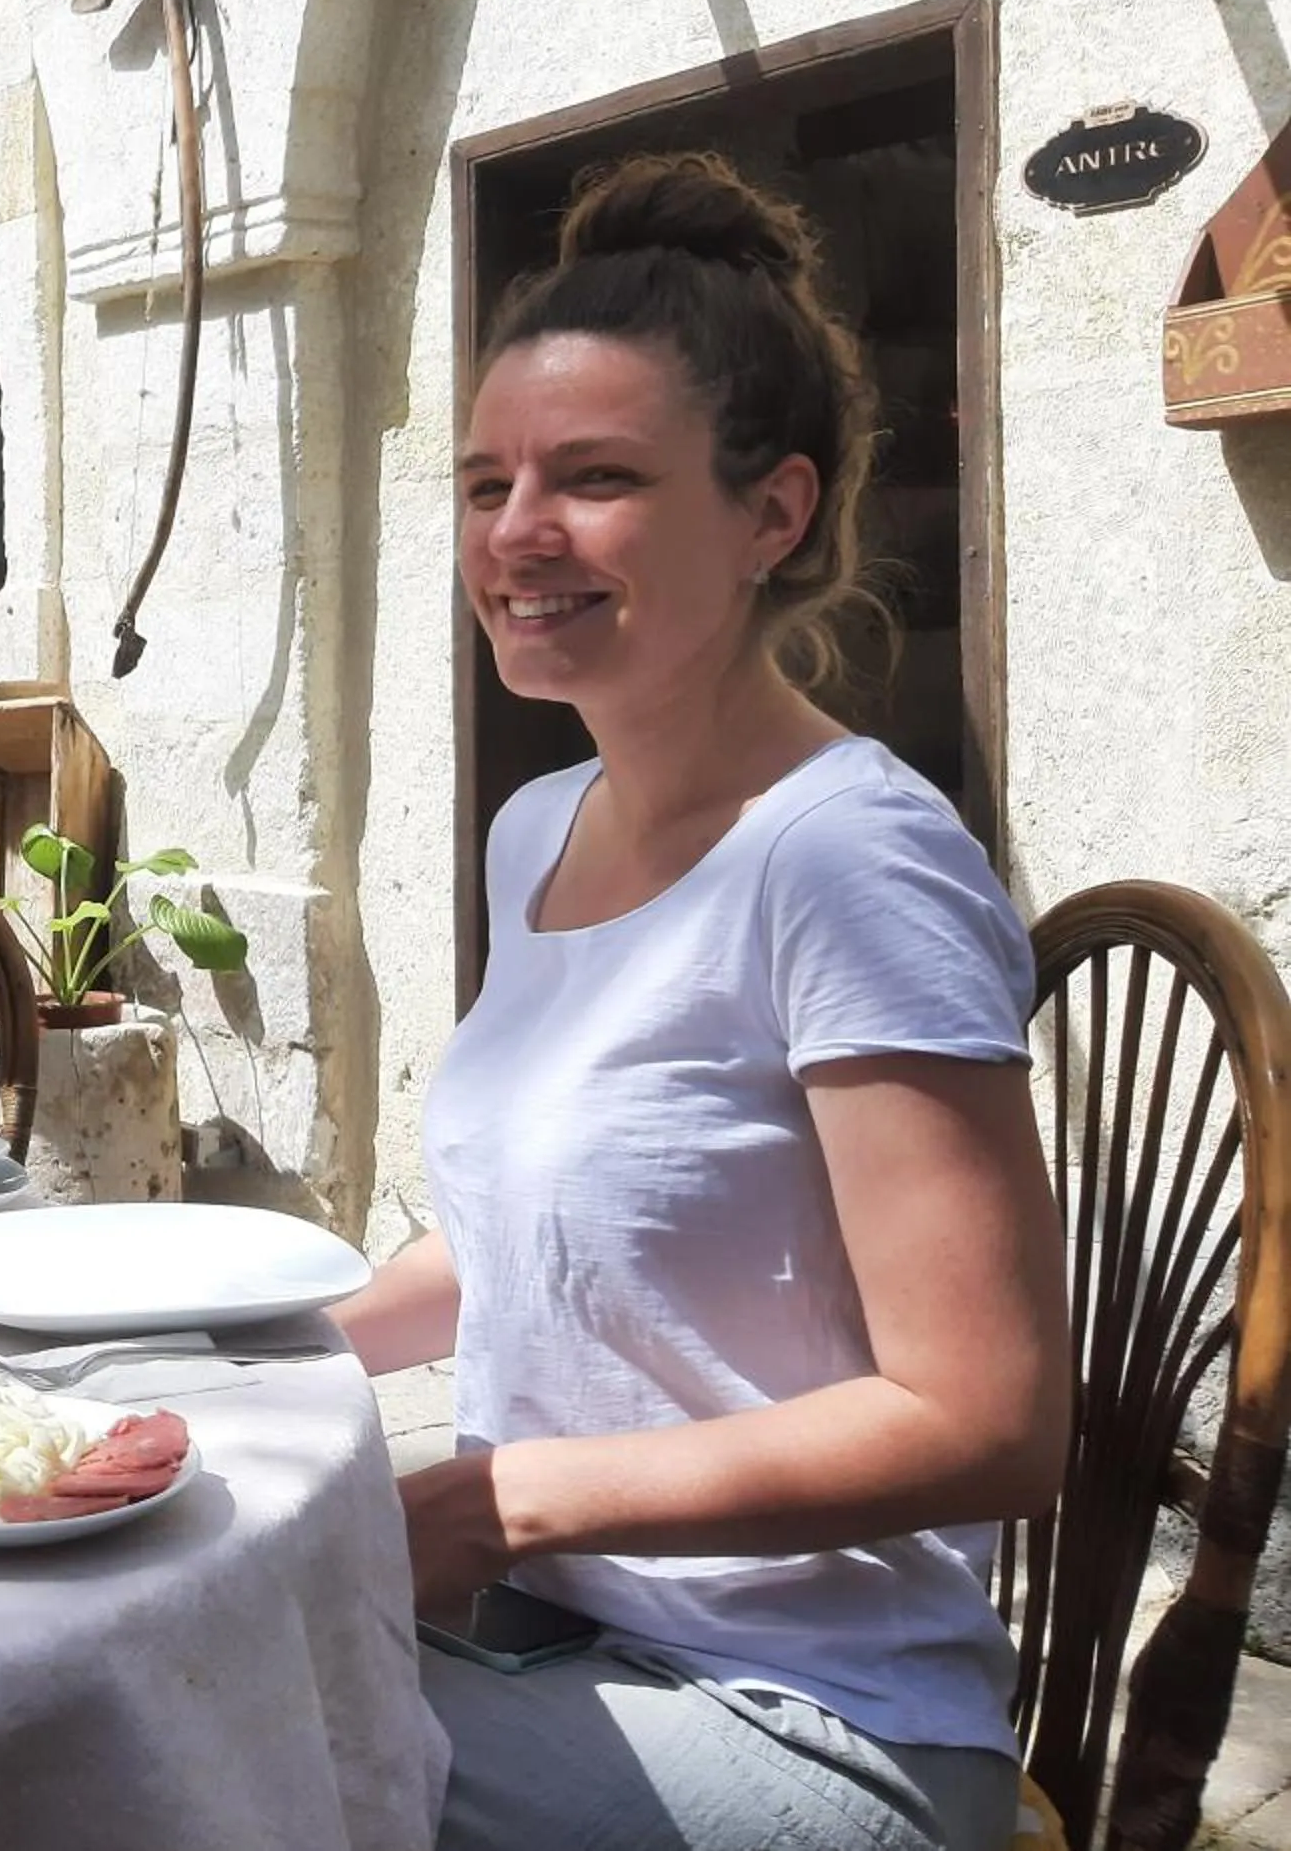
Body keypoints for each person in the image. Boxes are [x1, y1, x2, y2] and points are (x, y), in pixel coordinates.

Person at [332, 153, 1069, 1851]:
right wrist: (265, 1348)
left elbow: (990, 1415)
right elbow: (544, 1232)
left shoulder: (851, 864)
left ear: (773, 513)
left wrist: (509, 1501)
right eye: (485, 480)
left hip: (814, 1714)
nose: (518, 533)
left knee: (177, 1760)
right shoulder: (538, 830)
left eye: (596, 479)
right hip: (557, 1641)